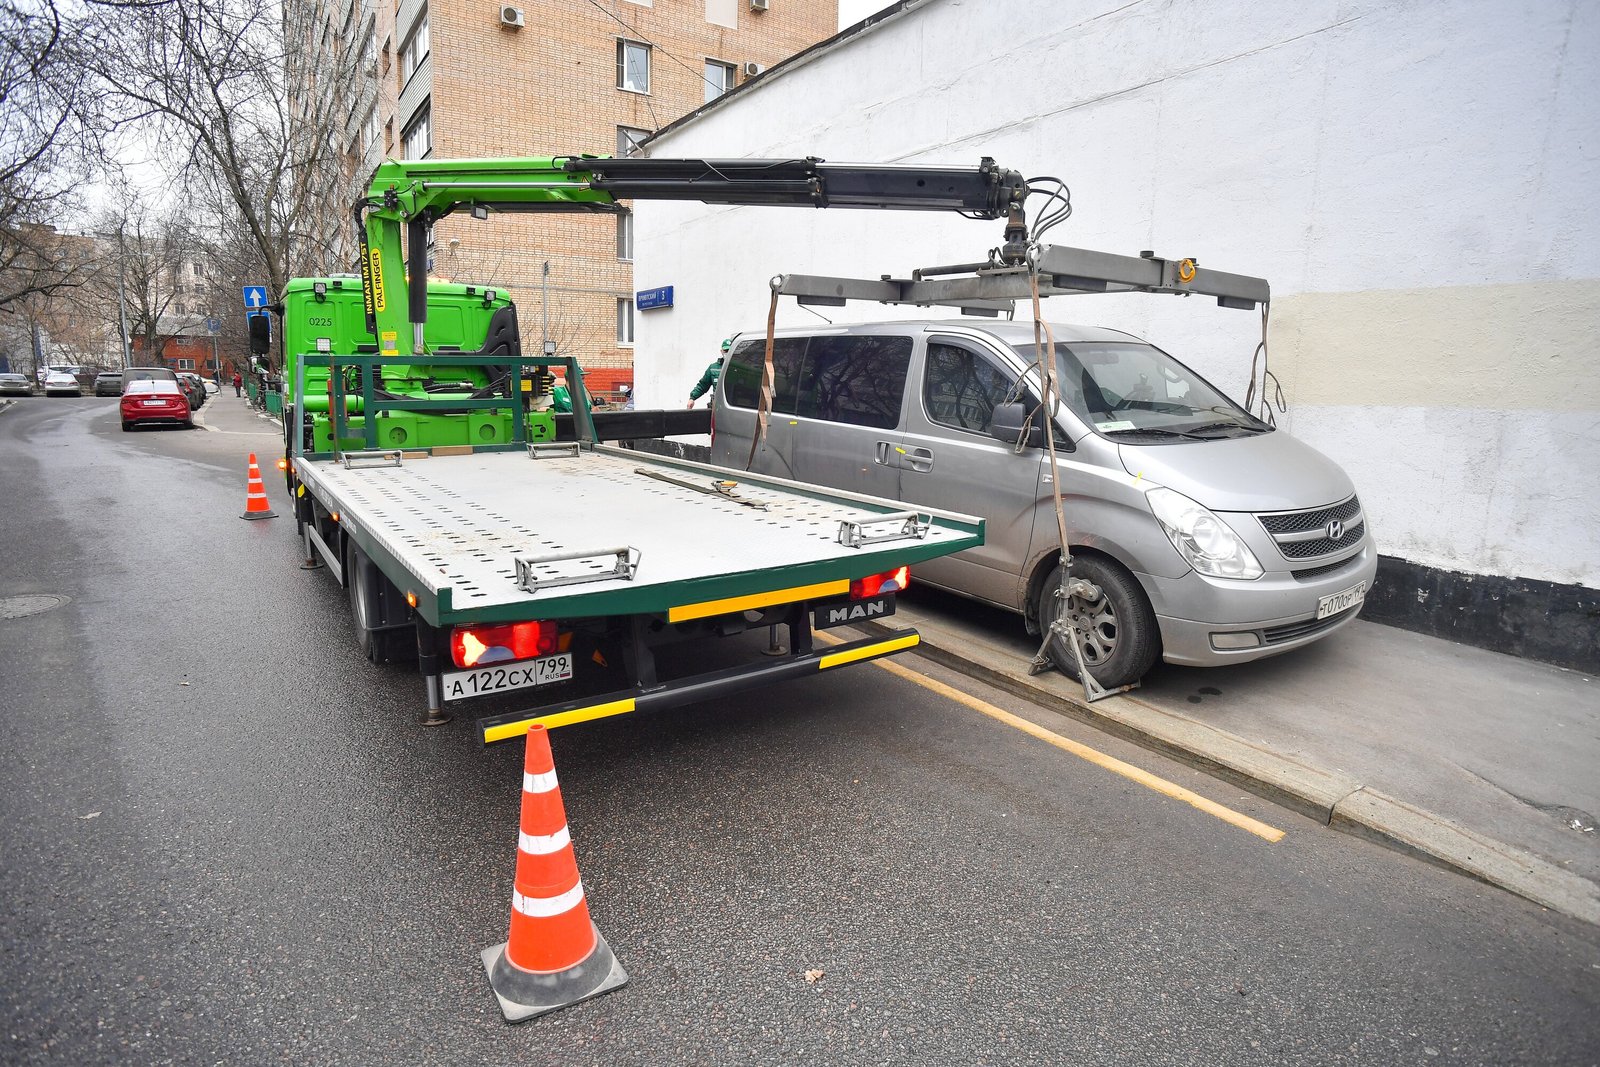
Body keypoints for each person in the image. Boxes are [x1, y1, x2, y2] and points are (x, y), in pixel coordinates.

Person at [688, 338, 730, 408]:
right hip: (717, 407)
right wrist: (692, 398)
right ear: (721, 351)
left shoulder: (737, 368)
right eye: (726, 350)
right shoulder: (713, 368)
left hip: (732, 407)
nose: (727, 353)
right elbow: (703, 385)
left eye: (729, 350)